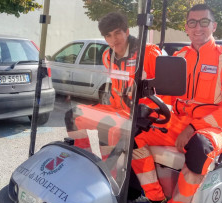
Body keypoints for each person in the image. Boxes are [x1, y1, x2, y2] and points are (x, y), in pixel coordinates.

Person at [130, 4, 222, 203]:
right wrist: (149, 108)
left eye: (204, 22)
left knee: (199, 147)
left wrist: (194, 127)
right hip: (179, 122)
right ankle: (156, 199)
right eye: (192, 22)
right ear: (186, 27)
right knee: (133, 134)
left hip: (213, 127)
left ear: (214, 26)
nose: (198, 27)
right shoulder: (179, 56)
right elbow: (166, 96)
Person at [65, 12, 162, 161]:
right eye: (108, 36)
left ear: (127, 32)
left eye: (117, 33)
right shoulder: (107, 56)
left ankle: (112, 175)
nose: (113, 40)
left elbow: (165, 93)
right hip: (117, 109)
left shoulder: (148, 53)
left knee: (110, 128)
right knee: (73, 115)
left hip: (141, 114)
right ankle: (82, 159)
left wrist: (147, 109)